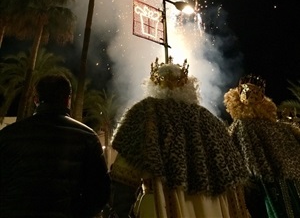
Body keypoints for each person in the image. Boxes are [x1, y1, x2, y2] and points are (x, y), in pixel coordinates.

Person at [109, 57, 251, 218]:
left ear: (152, 85)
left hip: (161, 206)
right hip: (213, 209)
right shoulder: (210, 120)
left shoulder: (146, 114)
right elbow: (235, 180)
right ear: (188, 86)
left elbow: (124, 177)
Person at [0, 74, 111, 218]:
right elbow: (100, 193)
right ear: (68, 100)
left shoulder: (9, 135)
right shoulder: (87, 137)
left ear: (36, 100)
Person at [224, 73, 300, 218]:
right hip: (288, 183)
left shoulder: (242, 125)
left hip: (266, 186)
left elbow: (238, 157)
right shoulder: (279, 126)